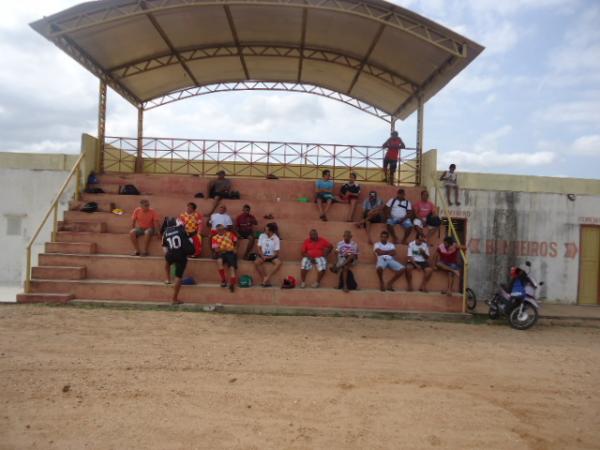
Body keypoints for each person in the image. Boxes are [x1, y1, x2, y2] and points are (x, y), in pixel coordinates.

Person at [162, 217, 194, 305]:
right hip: (180, 255)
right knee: (178, 277)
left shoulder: (166, 232)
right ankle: (174, 299)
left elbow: (164, 245)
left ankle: (168, 279)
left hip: (170, 253)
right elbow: (188, 237)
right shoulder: (181, 229)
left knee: (167, 262)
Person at [211, 224, 238, 292]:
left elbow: (236, 241)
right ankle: (223, 280)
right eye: (220, 230)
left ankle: (232, 284)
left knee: (232, 268)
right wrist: (227, 249)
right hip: (222, 253)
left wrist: (235, 248)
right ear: (217, 230)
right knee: (219, 261)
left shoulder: (229, 234)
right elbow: (216, 250)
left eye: (223, 229)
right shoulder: (214, 238)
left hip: (231, 253)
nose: (222, 231)